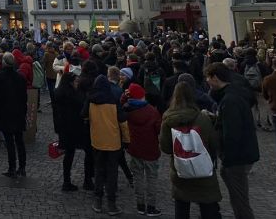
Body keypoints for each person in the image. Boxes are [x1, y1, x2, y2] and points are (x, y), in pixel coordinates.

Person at [159, 82, 222, 219]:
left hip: (180, 168)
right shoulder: (202, 118)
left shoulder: (168, 119)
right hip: (202, 168)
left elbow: (165, 147)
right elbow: (213, 143)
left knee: (181, 205)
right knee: (207, 204)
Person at [204, 62, 259, 219]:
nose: (207, 81)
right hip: (242, 153)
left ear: (215, 77)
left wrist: (227, 158)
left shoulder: (229, 100)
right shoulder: (234, 94)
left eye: (208, 77)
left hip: (237, 157)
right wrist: (216, 117)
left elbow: (232, 133)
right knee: (238, 195)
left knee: (239, 199)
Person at [87, 74, 129, 216]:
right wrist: (127, 140)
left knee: (99, 170)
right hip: (113, 141)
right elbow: (123, 122)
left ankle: (98, 200)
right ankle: (111, 203)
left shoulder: (91, 100)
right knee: (112, 173)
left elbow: (83, 115)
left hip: (97, 140)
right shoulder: (113, 101)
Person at [123, 83, 162, 216]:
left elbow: (120, 106)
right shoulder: (152, 111)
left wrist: (124, 96)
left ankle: (140, 205)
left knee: (138, 177)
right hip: (150, 149)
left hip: (135, 149)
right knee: (151, 178)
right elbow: (158, 129)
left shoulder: (127, 109)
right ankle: (151, 207)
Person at [54, 67, 93, 192]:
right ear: (71, 83)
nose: (77, 83)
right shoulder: (75, 96)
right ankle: (87, 180)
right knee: (88, 151)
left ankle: (67, 181)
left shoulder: (58, 92)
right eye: (76, 81)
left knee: (69, 155)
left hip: (64, 129)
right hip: (77, 127)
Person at [0, 53, 26, 177]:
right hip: (18, 113)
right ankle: (22, 167)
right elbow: (24, 97)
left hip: (5, 113)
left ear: (4, 63)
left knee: (10, 142)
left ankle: (12, 167)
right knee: (20, 141)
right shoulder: (20, 77)